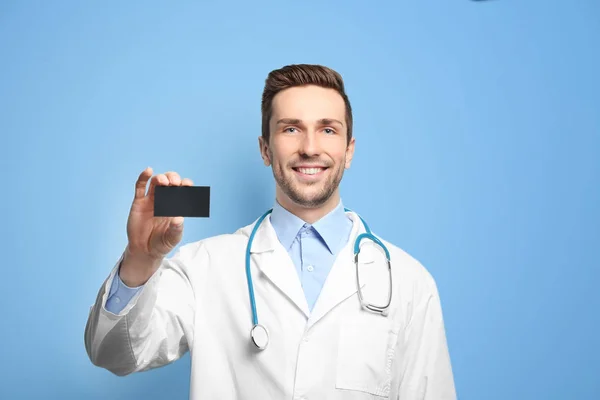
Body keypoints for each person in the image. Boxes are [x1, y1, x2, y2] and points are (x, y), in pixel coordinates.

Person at [84, 64, 457, 399]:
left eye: (328, 130)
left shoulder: (407, 281)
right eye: (291, 129)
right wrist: (140, 256)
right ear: (265, 149)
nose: (310, 148)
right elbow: (115, 354)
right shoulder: (205, 267)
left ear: (349, 150)